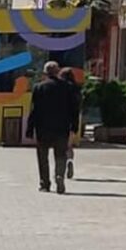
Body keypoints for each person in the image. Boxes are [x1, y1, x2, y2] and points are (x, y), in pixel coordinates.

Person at [26, 61, 80, 194]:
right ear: (57, 71)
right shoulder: (67, 87)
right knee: (60, 154)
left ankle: (45, 183)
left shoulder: (39, 87)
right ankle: (59, 175)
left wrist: (29, 128)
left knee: (42, 156)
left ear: (45, 72)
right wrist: (74, 126)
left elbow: (34, 110)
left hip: (43, 128)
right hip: (62, 128)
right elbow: (74, 108)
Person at [59, 67, 82, 180]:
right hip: (73, 121)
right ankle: (70, 161)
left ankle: (62, 166)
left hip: (61, 121)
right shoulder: (76, 89)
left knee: (60, 145)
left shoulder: (60, 88)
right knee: (69, 145)